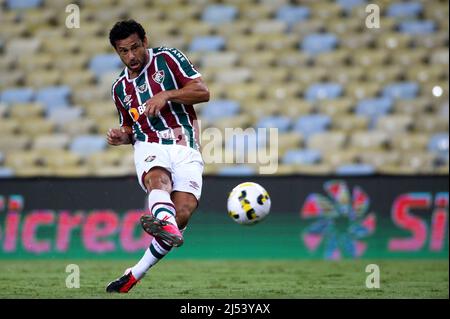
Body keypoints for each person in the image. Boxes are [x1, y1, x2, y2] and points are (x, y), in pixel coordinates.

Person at [105, 20, 210, 293]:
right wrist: (122, 135)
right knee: (157, 179)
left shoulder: (168, 58)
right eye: (123, 51)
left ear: (145, 42)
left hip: (185, 143)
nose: (131, 56)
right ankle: (166, 221)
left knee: (182, 214)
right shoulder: (120, 89)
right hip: (149, 143)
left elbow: (203, 92)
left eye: (135, 48)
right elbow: (130, 127)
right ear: (117, 52)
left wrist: (167, 94)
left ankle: (135, 273)